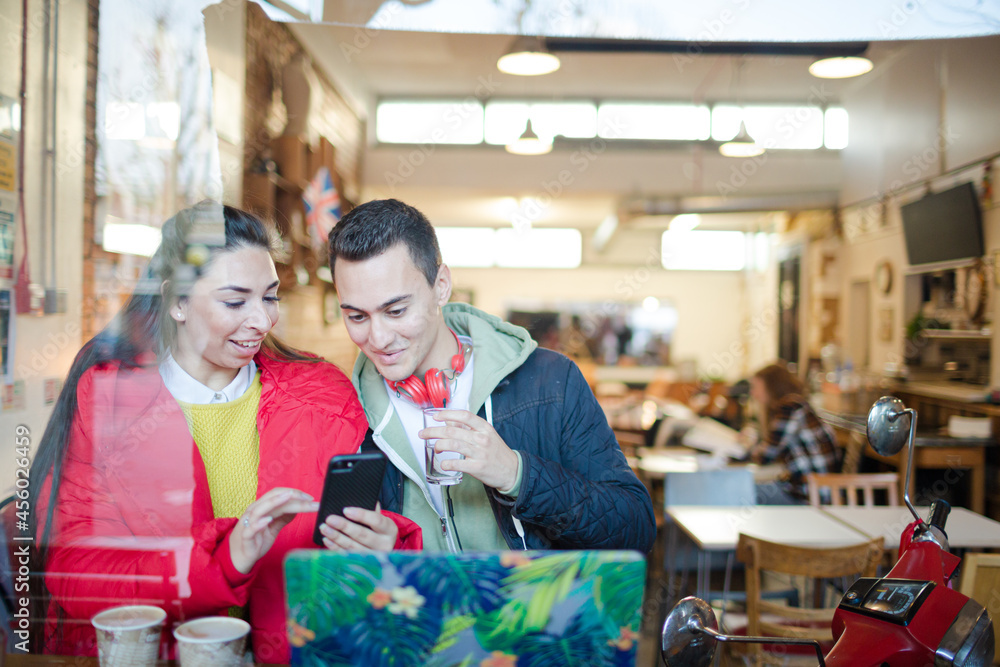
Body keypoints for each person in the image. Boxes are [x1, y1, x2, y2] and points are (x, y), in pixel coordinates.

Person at [28, 202, 421, 662]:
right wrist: (225, 560)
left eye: (270, 297)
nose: (262, 320)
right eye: (235, 302)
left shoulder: (322, 395)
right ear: (176, 302)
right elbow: (77, 575)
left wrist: (385, 549)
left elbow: (358, 572)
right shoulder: (113, 402)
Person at [326, 198, 655, 553]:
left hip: (533, 608)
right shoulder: (344, 413)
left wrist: (517, 474)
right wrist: (386, 553)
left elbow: (634, 528)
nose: (377, 338)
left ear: (441, 286)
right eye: (357, 317)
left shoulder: (551, 382)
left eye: (396, 310)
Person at [745, 362, 841, 504]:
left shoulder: (790, 407)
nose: (753, 393)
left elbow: (766, 455)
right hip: (816, 490)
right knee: (755, 488)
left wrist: (748, 446)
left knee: (745, 491)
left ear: (771, 386)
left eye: (756, 387)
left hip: (812, 495)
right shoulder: (796, 404)